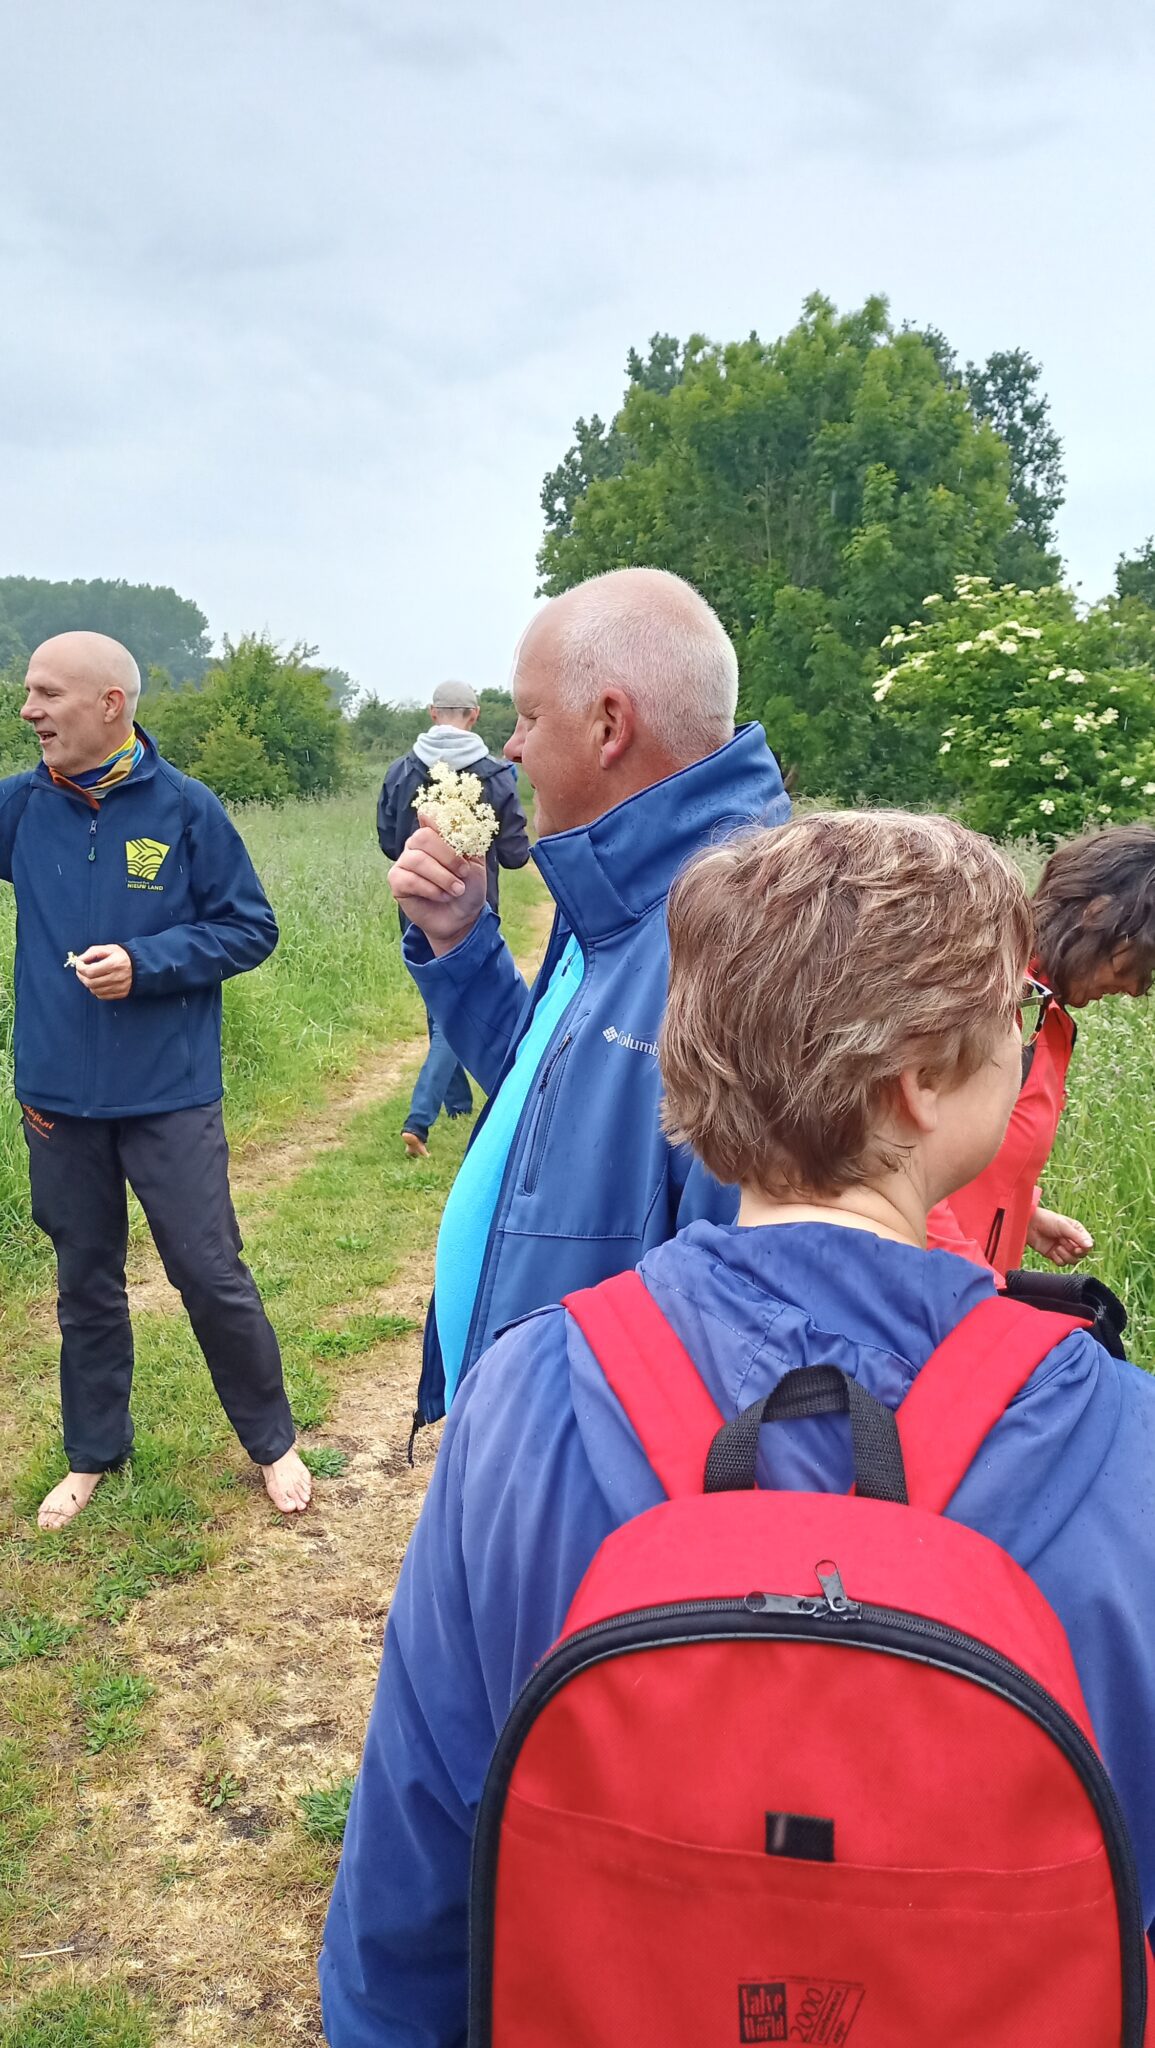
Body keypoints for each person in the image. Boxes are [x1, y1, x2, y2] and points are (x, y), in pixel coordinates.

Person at [319, 810, 1155, 2046]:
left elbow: (419, 1860)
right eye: (1006, 1036)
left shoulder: (528, 1389)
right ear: (920, 1082)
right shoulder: (1121, 1441)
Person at [386, 567, 790, 1420]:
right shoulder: (613, 889)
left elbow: (747, 1321)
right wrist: (458, 942)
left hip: (588, 1477)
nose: (513, 749)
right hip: (530, 1441)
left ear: (609, 723)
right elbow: (549, 1096)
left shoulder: (746, 937)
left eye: (529, 716)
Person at [0, 631, 311, 1528]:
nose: (28, 711)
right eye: (27, 693)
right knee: (83, 1279)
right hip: (58, 1099)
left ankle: (271, 1441)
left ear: (110, 704)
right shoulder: (23, 809)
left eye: (46, 694)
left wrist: (149, 962)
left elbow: (250, 928)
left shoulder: (185, 810)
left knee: (209, 1271)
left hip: (168, 1093)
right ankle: (93, 1453)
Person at [928, 822, 1155, 1275]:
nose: (1135, 989)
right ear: (1096, 913)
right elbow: (892, 1164)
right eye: (1140, 963)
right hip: (933, 1301)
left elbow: (972, 1154)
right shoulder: (982, 997)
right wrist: (978, 1298)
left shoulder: (1046, 1017)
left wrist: (1022, 1213)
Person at [377, 679, 529, 1158]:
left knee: (437, 1002)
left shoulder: (402, 771)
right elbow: (516, 854)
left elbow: (387, 840)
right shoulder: (496, 774)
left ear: (431, 712)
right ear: (475, 715)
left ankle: (454, 1107)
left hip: (413, 903)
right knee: (456, 1007)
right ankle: (425, 1116)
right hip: (475, 910)